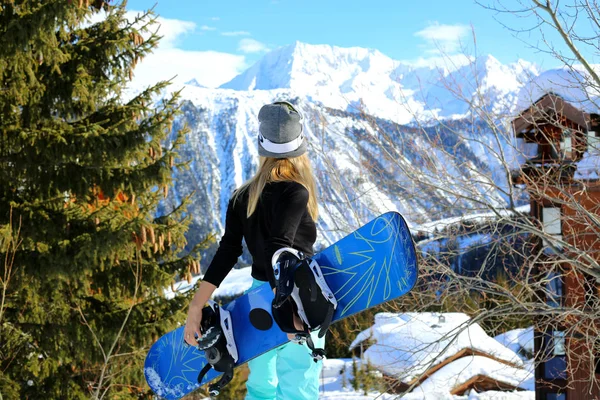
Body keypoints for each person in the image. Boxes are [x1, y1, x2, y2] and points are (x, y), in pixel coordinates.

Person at [183, 100, 324, 400]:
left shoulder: (240, 197)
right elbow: (279, 248)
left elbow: (227, 253)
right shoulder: (296, 191)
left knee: (260, 386)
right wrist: (286, 309)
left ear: (262, 146)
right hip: (296, 296)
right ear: (299, 147)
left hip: (256, 300)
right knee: (299, 387)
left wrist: (197, 305)